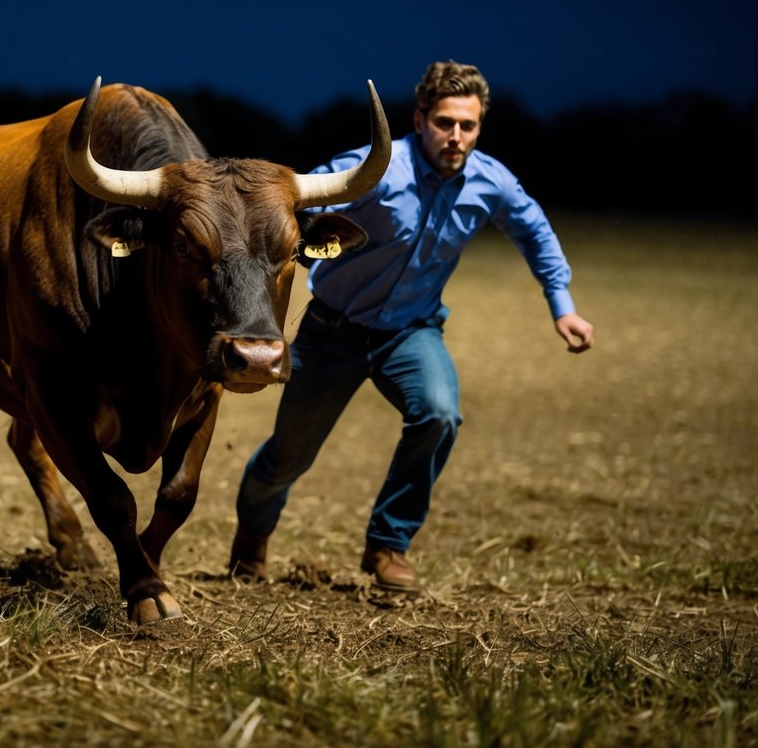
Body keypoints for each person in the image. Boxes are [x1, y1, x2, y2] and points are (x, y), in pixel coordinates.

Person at [229, 60, 594, 593]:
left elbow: (534, 230)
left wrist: (561, 304)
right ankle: (251, 540)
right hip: (333, 331)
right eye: (445, 122)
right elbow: (295, 211)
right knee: (289, 454)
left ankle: (388, 544)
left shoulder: (490, 181)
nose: (456, 136)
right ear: (420, 119)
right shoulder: (375, 168)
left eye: (468, 126)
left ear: (479, 127)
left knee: (440, 414)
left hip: (410, 332)